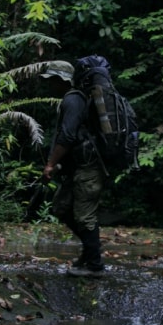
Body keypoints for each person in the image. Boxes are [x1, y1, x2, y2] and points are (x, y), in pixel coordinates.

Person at [39, 60, 107, 278]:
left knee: (84, 217)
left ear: (62, 80)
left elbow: (67, 136)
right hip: (76, 168)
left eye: (52, 80)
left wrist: (50, 164)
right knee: (61, 208)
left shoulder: (73, 100)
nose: (50, 85)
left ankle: (95, 264)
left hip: (87, 168)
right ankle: (89, 253)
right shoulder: (74, 100)